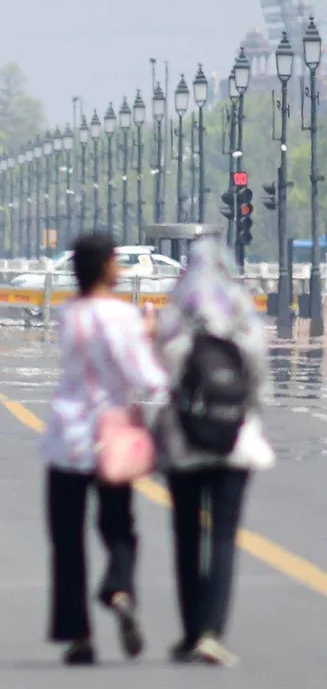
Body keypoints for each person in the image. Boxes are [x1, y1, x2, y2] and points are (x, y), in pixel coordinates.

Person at [40, 232, 168, 665]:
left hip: (66, 438)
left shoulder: (68, 314)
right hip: (111, 437)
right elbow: (145, 376)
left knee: (67, 538)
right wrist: (148, 336)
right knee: (118, 527)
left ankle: (78, 635)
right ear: (107, 267)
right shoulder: (122, 317)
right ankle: (117, 587)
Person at [152, 237, 275, 667]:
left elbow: (162, 368)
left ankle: (189, 632)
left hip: (186, 438)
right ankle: (212, 630)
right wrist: (248, 410)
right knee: (223, 535)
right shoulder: (240, 306)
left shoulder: (178, 308)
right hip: (234, 436)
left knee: (187, 535)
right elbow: (257, 365)